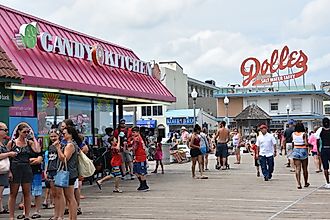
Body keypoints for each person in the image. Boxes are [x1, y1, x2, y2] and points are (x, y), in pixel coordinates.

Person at [7, 123, 40, 220]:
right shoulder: (12, 143)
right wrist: (9, 171)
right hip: (15, 168)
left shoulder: (29, 143)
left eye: (27, 132)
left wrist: (33, 138)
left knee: (27, 193)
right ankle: (11, 216)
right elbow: (7, 158)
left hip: (26, 168)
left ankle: (26, 215)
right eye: (24, 132)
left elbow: (37, 150)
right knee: (13, 193)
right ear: (19, 132)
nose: (26, 133)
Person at [54, 126, 80, 220]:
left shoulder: (70, 145)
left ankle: (73, 217)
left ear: (70, 134)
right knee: (68, 197)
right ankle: (72, 217)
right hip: (71, 172)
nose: (63, 135)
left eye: (64, 133)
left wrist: (58, 148)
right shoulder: (72, 144)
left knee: (70, 197)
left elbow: (64, 158)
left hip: (69, 173)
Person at [45, 129, 65, 220]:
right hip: (51, 170)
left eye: (55, 136)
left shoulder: (62, 145)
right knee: (54, 194)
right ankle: (56, 214)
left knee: (60, 194)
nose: (53, 138)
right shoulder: (49, 147)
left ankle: (61, 215)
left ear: (59, 136)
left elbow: (62, 158)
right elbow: (49, 159)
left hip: (59, 170)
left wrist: (58, 148)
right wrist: (46, 170)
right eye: (51, 136)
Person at [0, 122, 17, 215]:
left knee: (1, 192)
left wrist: (9, 171)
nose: (7, 132)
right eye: (5, 130)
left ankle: (1, 208)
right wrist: (9, 153)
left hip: (3, 171)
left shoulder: (3, 142)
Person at [291, 122, 310, 189]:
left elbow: (293, 143)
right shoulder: (304, 134)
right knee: (305, 168)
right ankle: (305, 182)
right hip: (303, 150)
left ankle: (298, 183)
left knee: (297, 168)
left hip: (295, 150)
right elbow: (306, 143)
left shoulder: (293, 134)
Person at [131, 126, 150, 191]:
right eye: (132, 132)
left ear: (137, 132)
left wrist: (131, 149)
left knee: (141, 172)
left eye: (134, 132)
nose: (132, 134)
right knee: (136, 171)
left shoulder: (137, 138)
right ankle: (142, 184)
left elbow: (134, 147)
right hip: (137, 156)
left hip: (141, 157)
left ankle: (144, 185)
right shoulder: (139, 138)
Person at [316, 117, 330, 188]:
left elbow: (317, 140)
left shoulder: (320, 130)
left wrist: (318, 150)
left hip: (324, 149)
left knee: (325, 167)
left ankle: (327, 182)